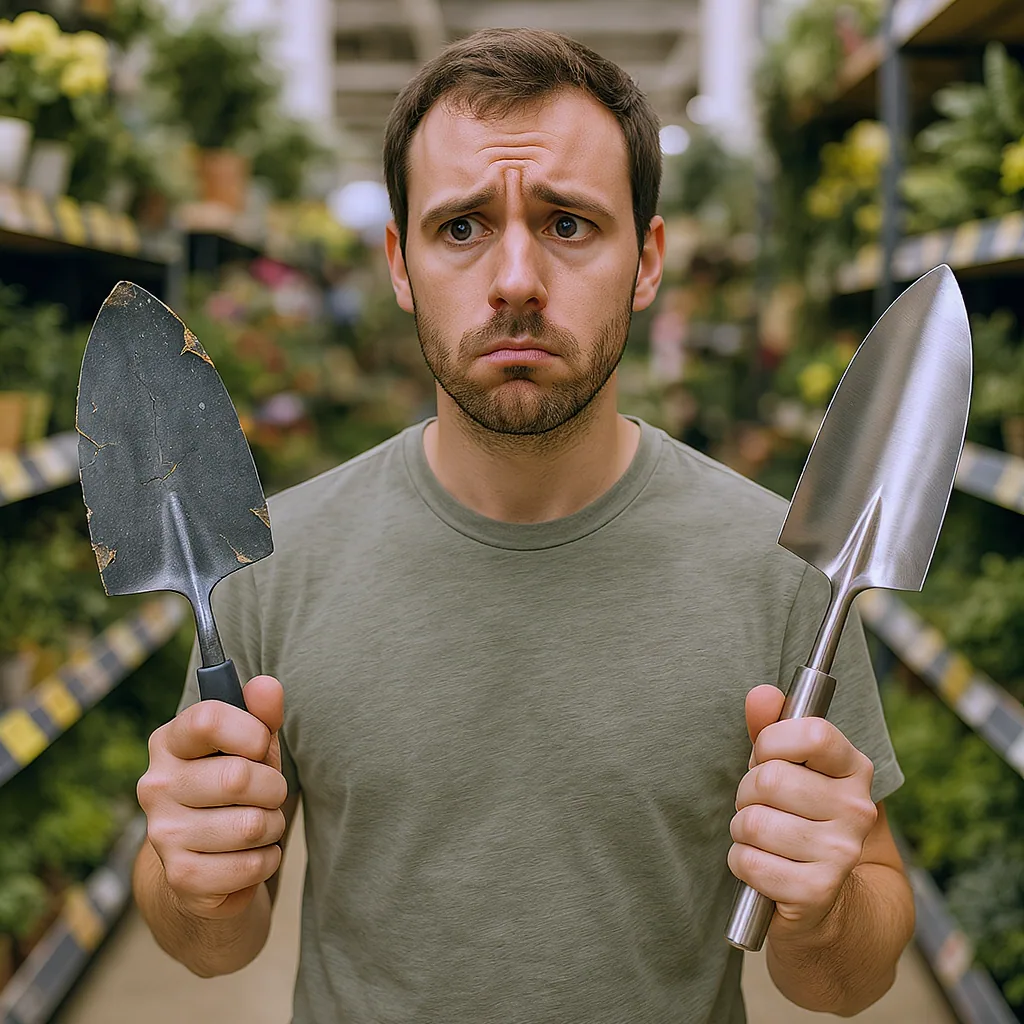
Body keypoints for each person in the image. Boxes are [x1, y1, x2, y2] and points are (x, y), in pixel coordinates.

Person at [133, 28, 914, 1023]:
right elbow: (211, 943)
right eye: (460, 226)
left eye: (569, 224)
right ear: (399, 263)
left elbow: (848, 981)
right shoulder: (268, 564)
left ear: (648, 260)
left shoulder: (784, 569)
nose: (513, 279)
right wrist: (188, 874)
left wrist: (827, 905)